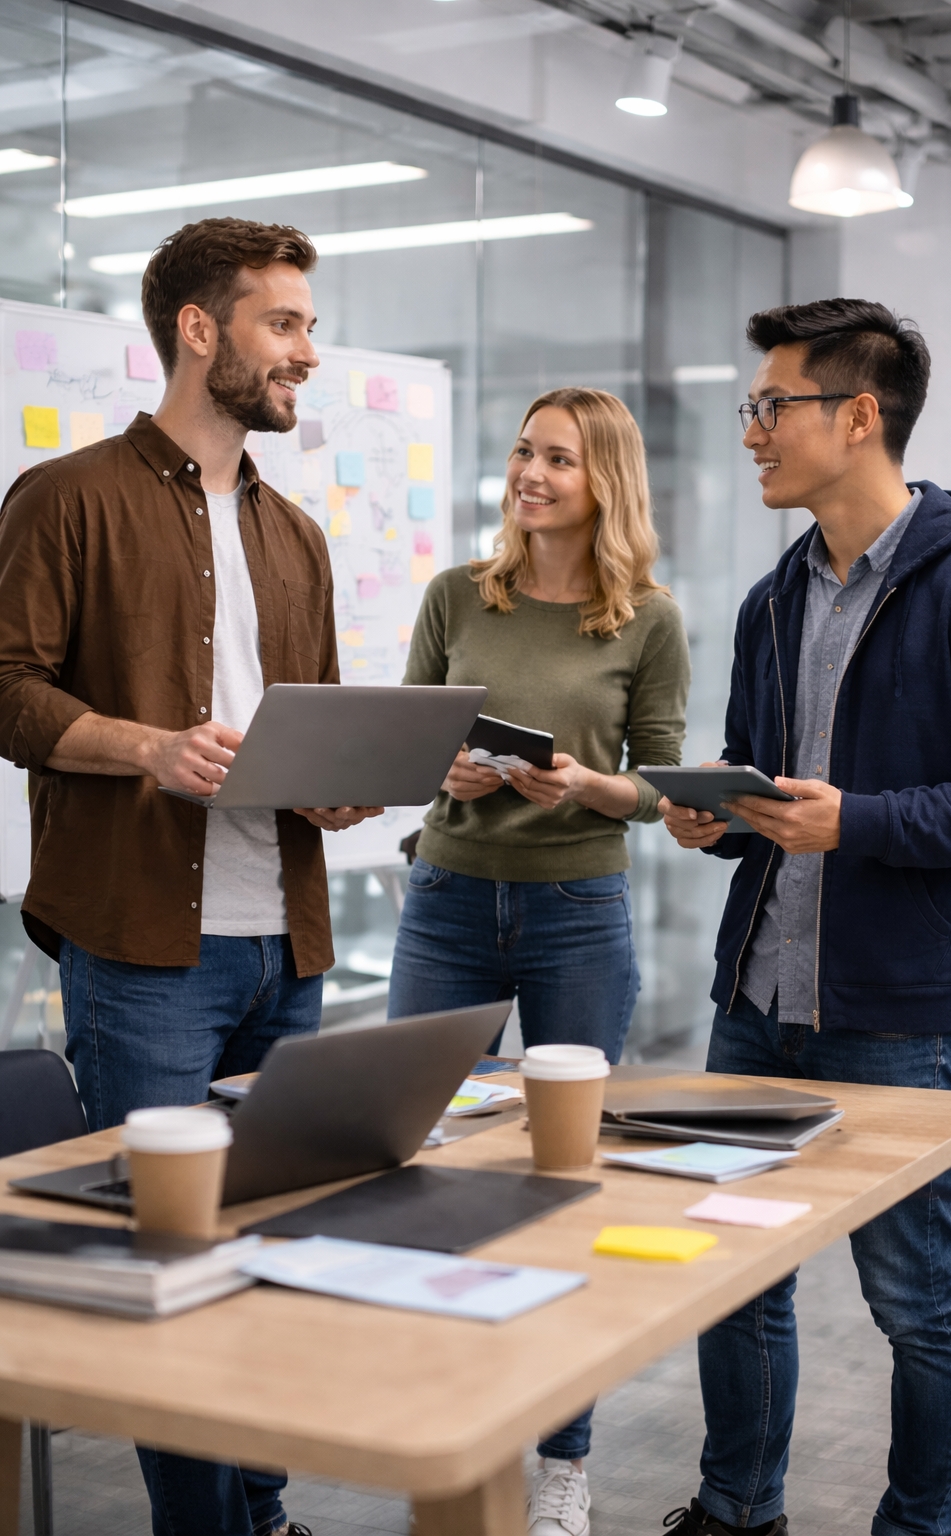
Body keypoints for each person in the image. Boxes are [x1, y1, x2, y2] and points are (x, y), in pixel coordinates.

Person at [0, 216, 382, 1536]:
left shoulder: (298, 536)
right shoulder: (67, 498)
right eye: (284, 324)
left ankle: (259, 1516)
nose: (307, 353)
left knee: (268, 1250)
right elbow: (6, 691)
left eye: (310, 327)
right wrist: (147, 748)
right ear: (199, 329)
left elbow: (308, 720)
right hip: (143, 952)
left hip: (287, 944)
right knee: (171, 1268)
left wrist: (340, 785)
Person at [658, 299, 951, 1536]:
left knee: (915, 1300)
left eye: (771, 405)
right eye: (751, 406)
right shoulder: (774, 598)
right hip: (758, 994)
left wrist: (853, 823)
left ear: (857, 415)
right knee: (734, 1275)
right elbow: (762, 778)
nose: (750, 431)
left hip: (902, 1013)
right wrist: (717, 816)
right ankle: (735, 1509)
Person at [388, 386, 689, 1536]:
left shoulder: (647, 619)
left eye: (558, 458)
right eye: (524, 452)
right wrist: (447, 769)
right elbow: (405, 741)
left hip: (577, 909)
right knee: (421, 1159)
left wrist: (585, 785)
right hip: (448, 900)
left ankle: (562, 1459)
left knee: (561, 1178)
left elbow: (657, 785)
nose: (531, 473)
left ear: (603, 479)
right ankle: (448, 1423)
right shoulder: (458, 594)